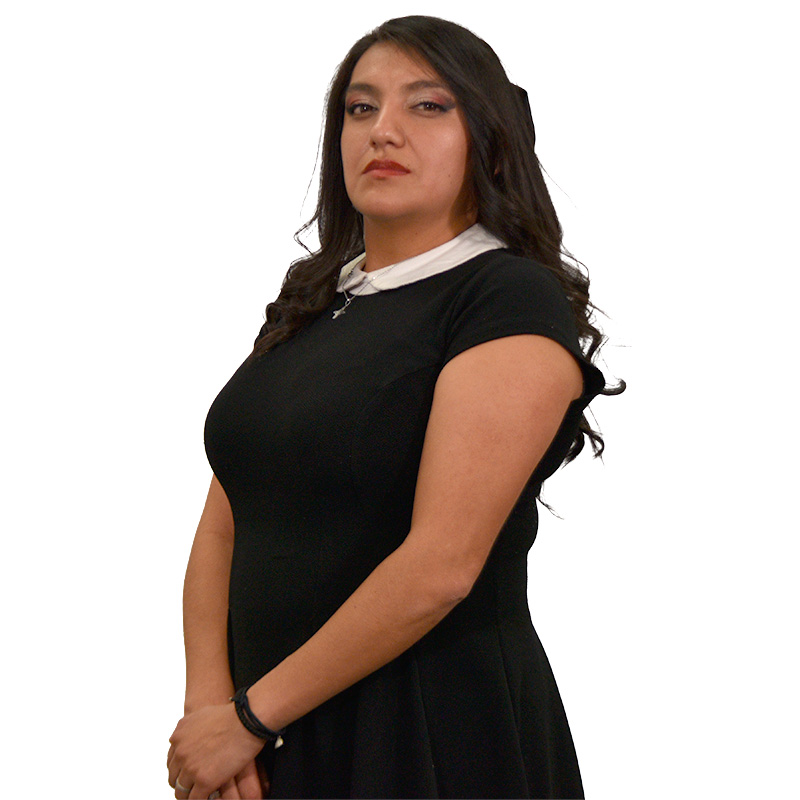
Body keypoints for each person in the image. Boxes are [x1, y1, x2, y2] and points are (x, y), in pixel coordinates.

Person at [167, 15, 622, 800]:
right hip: (267, 736)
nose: (383, 130)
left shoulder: (504, 298)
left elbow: (440, 567)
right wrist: (209, 707)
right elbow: (227, 518)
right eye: (361, 107)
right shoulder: (315, 299)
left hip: (425, 730)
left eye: (428, 105)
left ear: (491, 141)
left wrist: (248, 717)